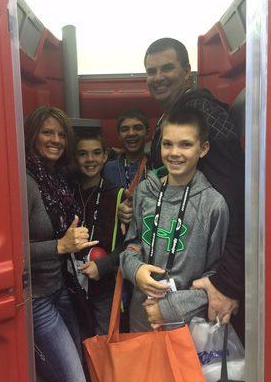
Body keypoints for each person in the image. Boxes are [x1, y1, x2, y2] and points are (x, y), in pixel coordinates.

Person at [118, 38, 244, 331]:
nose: (158, 77)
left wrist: (228, 283)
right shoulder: (169, 115)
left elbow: (239, 202)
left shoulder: (206, 113)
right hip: (147, 304)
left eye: (167, 68)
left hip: (190, 305)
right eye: (151, 70)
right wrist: (138, 204)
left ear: (188, 71)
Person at [120, 107, 229, 331]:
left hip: (186, 324)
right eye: (167, 144)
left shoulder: (213, 205)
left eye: (185, 144)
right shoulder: (144, 191)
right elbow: (131, 244)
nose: (174, 152)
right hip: (141, 318)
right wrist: (136, 270)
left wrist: (170, 307)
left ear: (203, 148)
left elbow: (216, 275)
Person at [25, 106, 98, 382]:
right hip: (37, 298)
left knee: (81, 361)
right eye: (47, 132)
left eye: (60, 134)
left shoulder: (57, 177)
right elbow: (9, 254)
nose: (55, 139)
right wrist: (59, 246)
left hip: (61, 288)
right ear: (32, 135)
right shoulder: (26, 181)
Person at [72, 131, 123, 335]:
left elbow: (130, 245)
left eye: (96, 153)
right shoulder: (66, 190)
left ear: (105, 156)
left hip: (103, 285)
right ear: (75, 158)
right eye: (83, 154)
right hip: (72, 285)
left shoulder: (118, 196)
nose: (90, 159)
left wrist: (103, 265)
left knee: (104, 345)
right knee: (79, 341)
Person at [103, 108, 150, 188]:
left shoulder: (156, 166)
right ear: (119, 136)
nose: (131, 133)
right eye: (125, 129)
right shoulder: (108, 169)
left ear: (147, 133)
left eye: (138, 128)